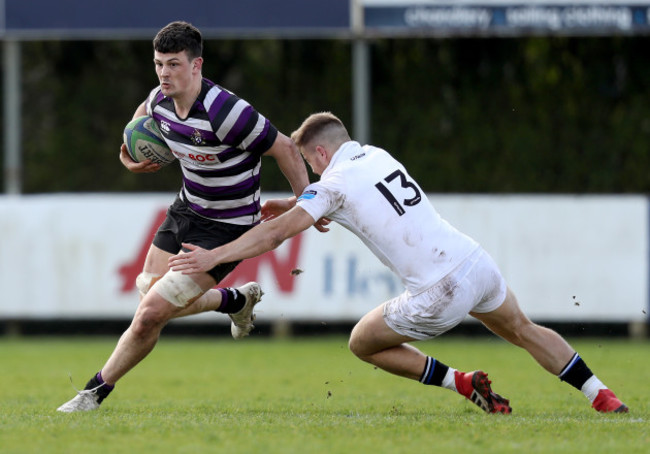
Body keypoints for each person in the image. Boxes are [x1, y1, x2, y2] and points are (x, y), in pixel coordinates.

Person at [168, 111, 629, 414]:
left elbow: (275, 235)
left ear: (322, 154)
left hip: (438, 291)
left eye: (310, 163)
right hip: (474, 261)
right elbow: (345, 196)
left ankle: (461, 383)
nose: (311, 173)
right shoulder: (375, 155)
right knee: (524, 330)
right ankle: (601, 395)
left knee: (361, 342)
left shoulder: (332, 183)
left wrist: (216, 255)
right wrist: (296, 201)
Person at [56, 21, 320, 412]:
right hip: (186, 208)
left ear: (197, 66)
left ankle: (92, 393)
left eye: (174, 64)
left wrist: (307, 201)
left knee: (148, 316)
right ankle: (233, 301)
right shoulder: (160, 101)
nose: (164, 73)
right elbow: (141, 117)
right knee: (149, 289)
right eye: (159, 63)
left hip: (228, 227)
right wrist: (129, 154)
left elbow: (284, 147)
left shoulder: (227, 112)